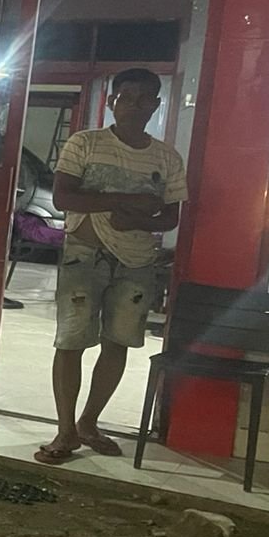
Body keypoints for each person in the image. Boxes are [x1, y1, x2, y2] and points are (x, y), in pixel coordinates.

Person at [36, 67, 187, 465]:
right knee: (71, 341)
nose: (135, 106)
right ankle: (65, 431)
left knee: (118, 342)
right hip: (84, 256)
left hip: (136, 263)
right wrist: (129, 201)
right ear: (111, 102)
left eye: (144, 99)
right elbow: (64, 198)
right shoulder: (84, 143)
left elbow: (170, 217)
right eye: (126, 97)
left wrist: (135, 220)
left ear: (156, 105)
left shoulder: (167, 158)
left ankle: (88, 422)